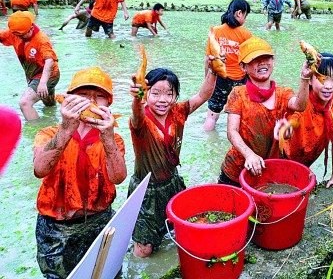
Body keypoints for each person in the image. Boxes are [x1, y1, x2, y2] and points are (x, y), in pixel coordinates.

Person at [34, 66, 127, 278]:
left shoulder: (114, 139)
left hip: (100, 221)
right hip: (56, 227)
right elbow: (39, 170)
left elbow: (118, 178)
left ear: (108, 104)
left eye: (99, 96)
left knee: (108, 273)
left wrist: (108, 137)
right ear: (69, 99)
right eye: (83, 95)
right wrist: (66, 128)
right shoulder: (47, 133)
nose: (91, 102)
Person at [128, 54, 218, 258]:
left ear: (175, 96)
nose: (162, 100)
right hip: (146, 190)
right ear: (147, 94)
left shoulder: (178, 112)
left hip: (172, 182)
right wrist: (136, 98)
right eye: (156, 93)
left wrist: (213, 69)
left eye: (169, 93)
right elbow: (137, 114)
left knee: (184, 227)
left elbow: (203, 95)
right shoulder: (141, 122)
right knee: (144, 250)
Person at [218, 36, 312, 187]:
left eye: (266, 57)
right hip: (236, 171)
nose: (262, 62)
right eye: (255, 59)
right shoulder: (238, 94)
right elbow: (232, 131)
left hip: (268, 169)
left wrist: (305, 78)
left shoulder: (283, 93)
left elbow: (300, 105)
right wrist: (249, 155)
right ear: (243, 67)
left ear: (273, 62)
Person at [277, 53, 333, 191]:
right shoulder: (302, 103)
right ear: (310, 80)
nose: (328, 86)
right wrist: (286, 130)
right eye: (322, 79)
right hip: (284, 158)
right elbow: (287, 129)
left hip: (307, 159)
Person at [203, 0, 252, 131]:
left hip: (219, 79)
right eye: (246, 16)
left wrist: (207, 79)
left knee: (211, 116)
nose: (245, 19)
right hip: (240, 81)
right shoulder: (246, 34)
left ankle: (209, 145)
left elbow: (208, 60)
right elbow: (250, 61)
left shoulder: (215, 31)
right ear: (239, 13)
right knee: (241, 116)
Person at [0, 11, 60, 120]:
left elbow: (50, 60)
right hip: (33, 75)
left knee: (25, 103)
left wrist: (42, 82)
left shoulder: (41, 39)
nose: (19, 37)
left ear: (31, 28)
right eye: (17, 35)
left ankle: (36, 132)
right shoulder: (14, 34)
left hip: (48, 75)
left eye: (22, 35)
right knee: (50, 106)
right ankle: (53, 122)